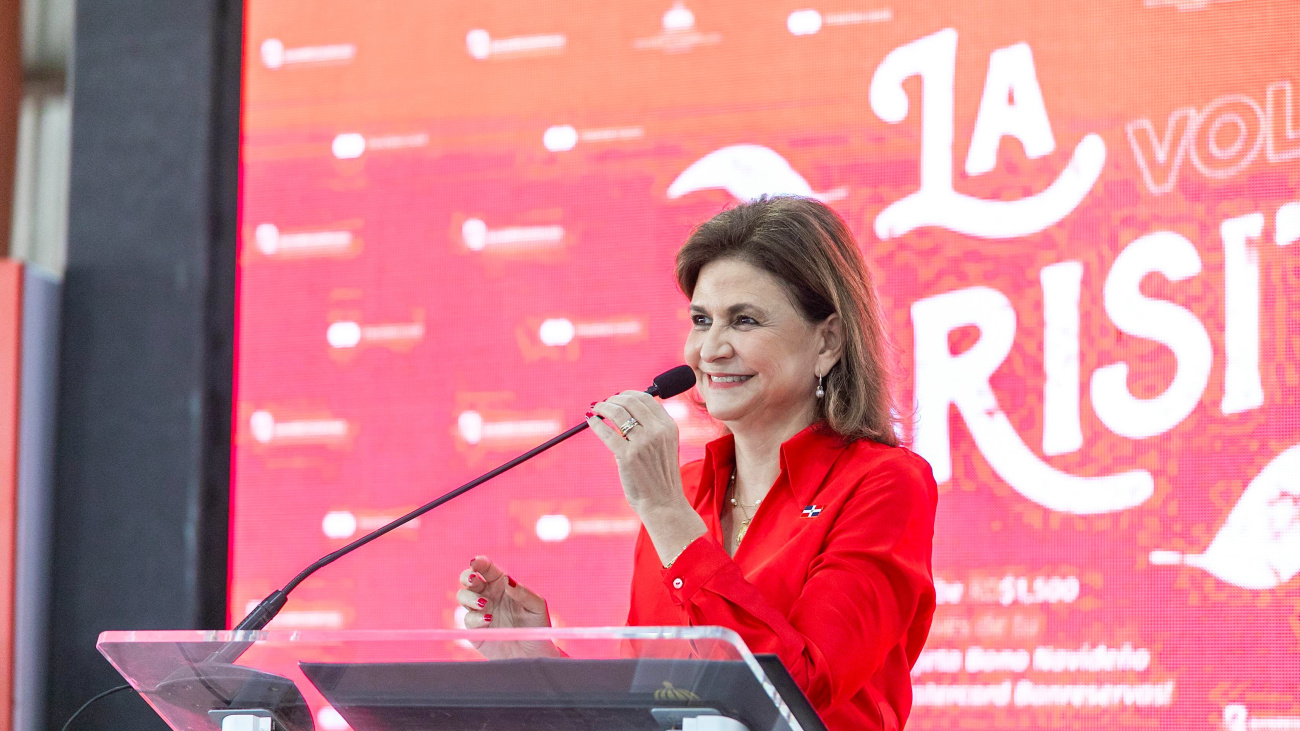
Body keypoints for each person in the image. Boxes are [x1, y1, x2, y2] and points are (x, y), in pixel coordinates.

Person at [455, 196, 938, 730]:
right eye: (701, 320)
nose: (710, 349)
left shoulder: (884, 483)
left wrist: (664, 511)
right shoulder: (683, 492)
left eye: (745, 321)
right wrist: (538, 667)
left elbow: (798, 692)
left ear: (828, 341)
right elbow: (651, 714)